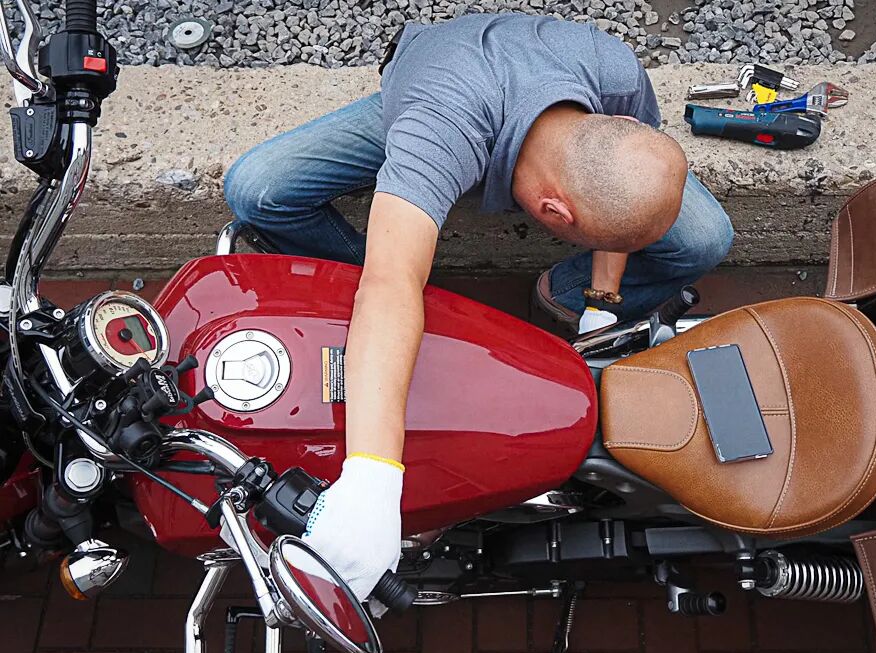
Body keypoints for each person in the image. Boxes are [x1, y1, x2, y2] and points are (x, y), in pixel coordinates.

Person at [223, 13, 733, 606]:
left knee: (706, 238)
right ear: (552, 214)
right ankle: (393, 298)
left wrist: (601, 300)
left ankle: (560, 298)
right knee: (258, 189)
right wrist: (371, 479)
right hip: (441, 87)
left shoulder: (616, 73)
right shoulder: (438, 129)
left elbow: (623, 171)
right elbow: (390, 284)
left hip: (528, 116)